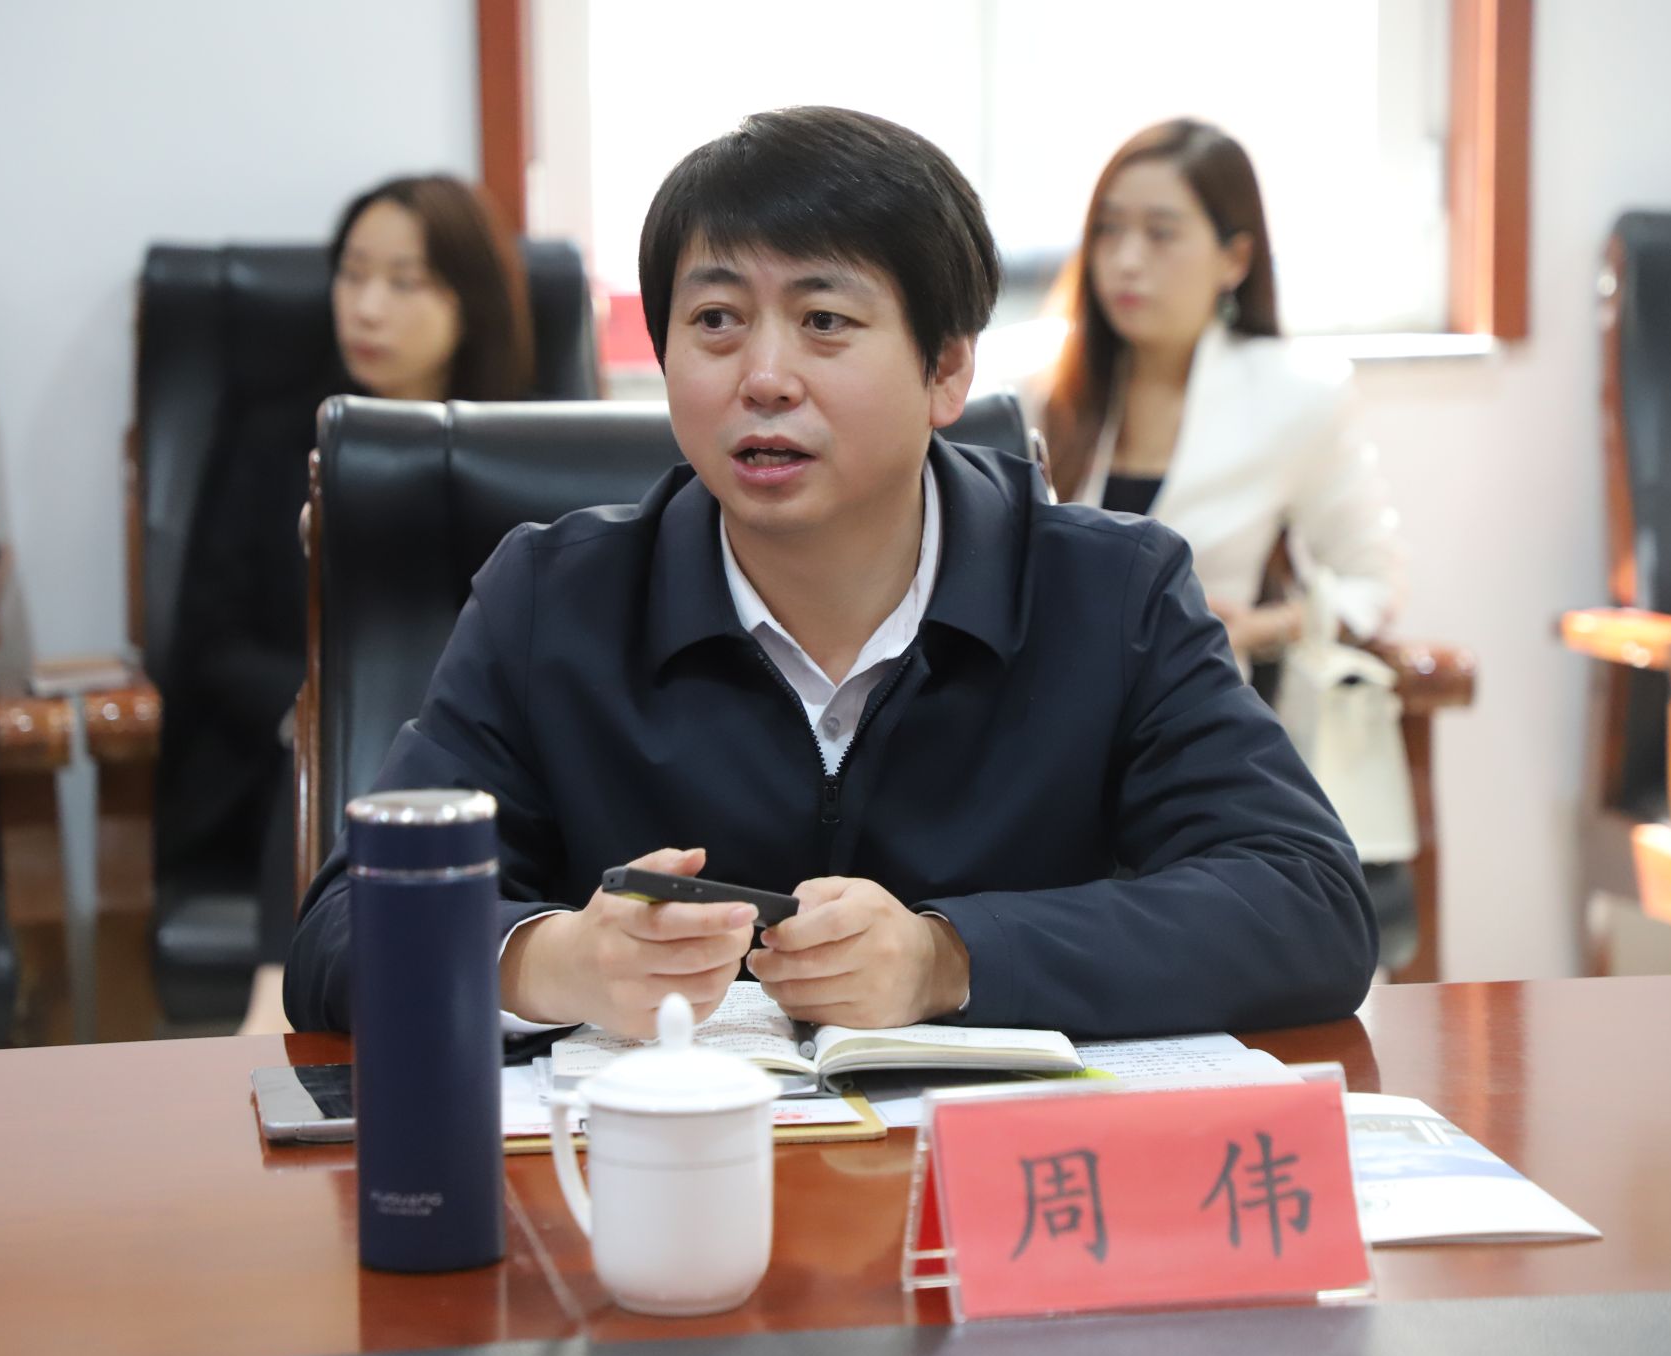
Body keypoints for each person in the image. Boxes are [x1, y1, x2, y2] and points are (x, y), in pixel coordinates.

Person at [284, 107, 1376, 1041]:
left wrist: (948, 959)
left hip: (977, 1196)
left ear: (947, 367)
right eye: (715, 321)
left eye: (824, 322)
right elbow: (340, 928)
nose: (763, 377)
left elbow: (1308, 901)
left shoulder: (1109, 594)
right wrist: (547, 962)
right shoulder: (551, 599)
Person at [984, 119, 1415, 965]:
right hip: (1030, 733)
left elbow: (1375, 582)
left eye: (1161, 233)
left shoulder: (1298, 395)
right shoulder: (1029, 382)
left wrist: (1260, 626)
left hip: (1180, 732)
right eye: (1108, 230)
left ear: (1234, 257)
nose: (1125, 261)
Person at [170, 175, 532, 1007]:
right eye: (353, 274)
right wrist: (314, 698)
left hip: (487, 756)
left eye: (404, 282)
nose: (367, 307)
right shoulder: (277, 437)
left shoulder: (529, 449)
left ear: (470, 300)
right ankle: (277, 996)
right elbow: (210, 640)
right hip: (281, 761)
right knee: (336, 728)